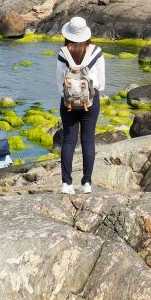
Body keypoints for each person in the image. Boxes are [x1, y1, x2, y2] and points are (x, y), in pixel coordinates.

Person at [56, 16, 105, 194]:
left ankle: (66, 184)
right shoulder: (96, 51)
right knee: (88, 141)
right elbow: (101, 80)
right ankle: (86, 184)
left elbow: (59, 81)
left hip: (68, 101)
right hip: (90, 101)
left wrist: (67, 96)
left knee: (68, 141)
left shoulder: (63, 53)